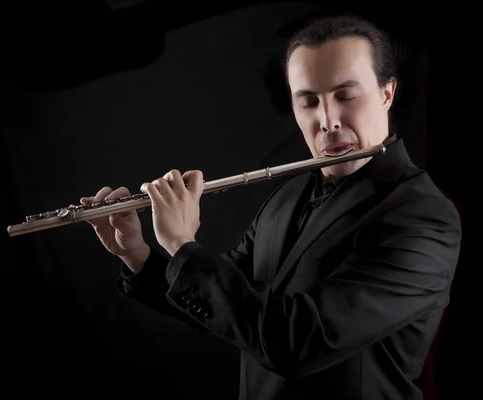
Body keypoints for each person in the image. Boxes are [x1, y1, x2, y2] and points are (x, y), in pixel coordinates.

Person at [80, 14, 461, 400]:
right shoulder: (287, 197)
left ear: (387, 93)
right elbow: (227, 306)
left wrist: (181, 242)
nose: (326, 121)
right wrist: (138, 255)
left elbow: (298, 342)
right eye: (309, 101)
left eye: (346, 96)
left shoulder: (421, 217)